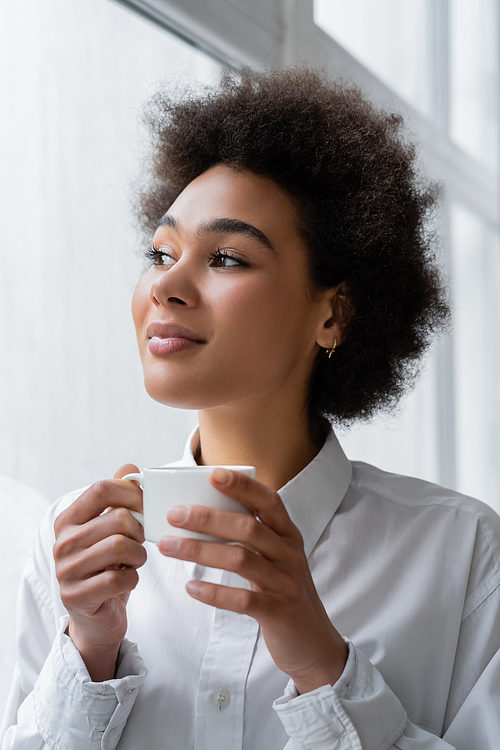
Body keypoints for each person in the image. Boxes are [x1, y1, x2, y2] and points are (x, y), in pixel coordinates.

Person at [1, 68, 499, 750]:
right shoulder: (71, 545)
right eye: (161, 252)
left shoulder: (462, 553)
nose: (166, 285)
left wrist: (323, 663)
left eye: (227, 257)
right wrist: (88, 650)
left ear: (333, 313)